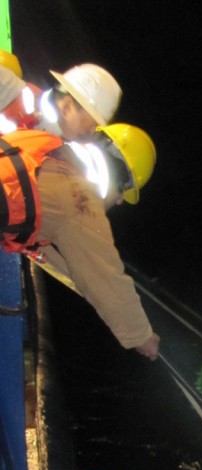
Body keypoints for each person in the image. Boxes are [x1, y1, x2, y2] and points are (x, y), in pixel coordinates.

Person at [1, 123, 160, 360]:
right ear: (120, 175)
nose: (118, 202)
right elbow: (104, 276)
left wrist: (81, 282)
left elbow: (71, 262)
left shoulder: (49, 150)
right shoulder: (78, 198)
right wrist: (141, 336)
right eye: (124, 193)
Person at [0, 51, 121, 139]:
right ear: (67, 107)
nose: (93, 130)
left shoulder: (57, 155)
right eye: (93, 125)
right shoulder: (4, 85)